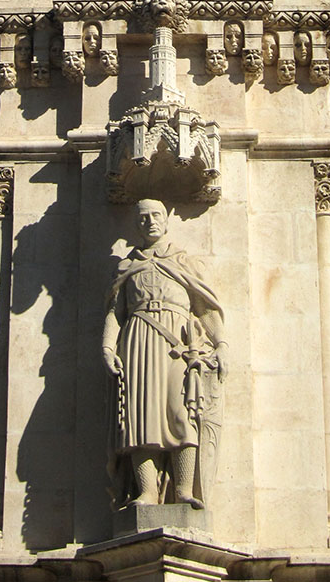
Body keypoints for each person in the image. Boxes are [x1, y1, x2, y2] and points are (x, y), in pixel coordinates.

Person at [102, 199, 227, 509]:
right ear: (136, 224)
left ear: (167, 220)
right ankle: (146, 492)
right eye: (143, 217)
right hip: (138, 340)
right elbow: (114, 312)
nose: (150, 222)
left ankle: (184, 489)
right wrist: (107, 346)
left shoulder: (184, 263)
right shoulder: (127, 267)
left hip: (178, 345)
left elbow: (205, 307)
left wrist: (221, 343)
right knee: (140, 417)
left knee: (182, 412)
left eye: (156, 215)